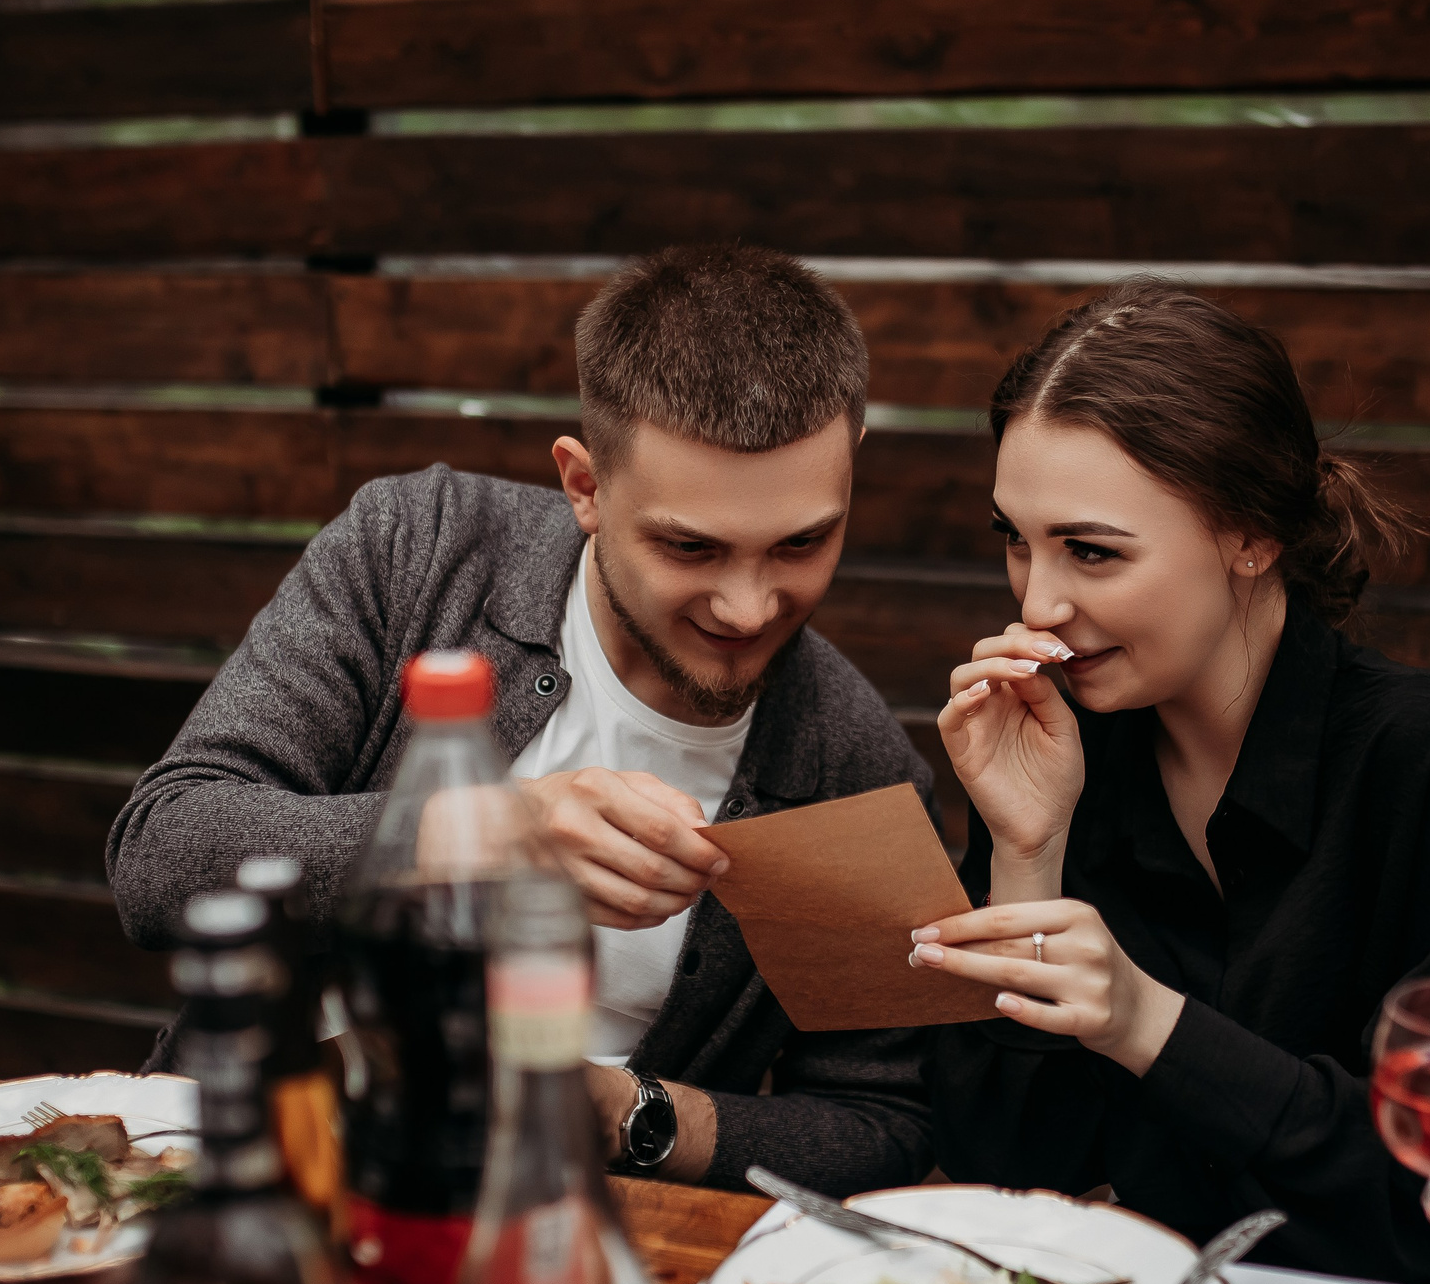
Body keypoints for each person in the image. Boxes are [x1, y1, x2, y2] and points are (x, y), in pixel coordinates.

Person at [108, 245, 934, 1195]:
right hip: (238, 1174)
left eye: (803, 540)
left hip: (554, 1235)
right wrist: (494, 828)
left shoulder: (852, 761)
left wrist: (628, 1112)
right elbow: (160, 856)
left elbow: (878, 1125)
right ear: (584, 485)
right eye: (688, 546)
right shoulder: (418, 548)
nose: (748, 608)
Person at [911, 282, 1430, 1284]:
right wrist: (1024, 849)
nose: (1036, 601)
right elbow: (1011, 1163)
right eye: (1016, 539)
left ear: (1251, 536)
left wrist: (1148, 1024)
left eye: (1091, 551)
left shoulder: (1420, 754)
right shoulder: (1066, 752)